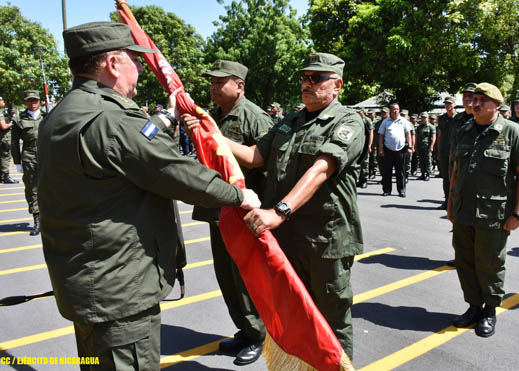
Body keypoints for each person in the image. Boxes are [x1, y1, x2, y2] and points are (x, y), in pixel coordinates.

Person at [37, 22, 261, 370]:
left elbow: (126, 147)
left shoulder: (63, 113)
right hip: (120, 290)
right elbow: (173, 171)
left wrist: (164, 118)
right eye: (136, 61)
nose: (141, 69)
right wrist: (238, 195)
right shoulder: (112, 119)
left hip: (89, 280)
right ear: (112, 63)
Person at [187, 52, 366, 360]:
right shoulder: (290, 121)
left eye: (316, 78)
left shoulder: (348, 121)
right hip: (286, 240)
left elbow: (321, 169)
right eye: (304, 78)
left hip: (325, 240)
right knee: (294, 318)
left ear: (337, 85)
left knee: (330, 320)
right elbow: (255, 156)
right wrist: (211, 133)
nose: (306, 84)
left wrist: (278, 211)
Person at [190, 59, 272, 366]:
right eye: (211, 81)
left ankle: (258, 334)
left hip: (244, 211)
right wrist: (198, 133)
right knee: (225, 275)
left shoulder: (253, 116)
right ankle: (245, 330)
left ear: (239, 85)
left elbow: (259, 159)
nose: (213, 87)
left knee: (244, 277)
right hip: (218, 208)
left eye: (219, 81)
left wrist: (212, 135)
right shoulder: (213, 116)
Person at [448, 83, 519, 338]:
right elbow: (456, 171)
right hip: (464, 211)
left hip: (494, 214)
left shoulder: (512, 132)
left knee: (490, 263)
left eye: (481, 101)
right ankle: (474, 307)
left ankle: (489, 311)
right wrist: (450, 204)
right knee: (465, 261)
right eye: (473, 99)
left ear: (496, 105)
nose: (475, 104)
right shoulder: (464, 130)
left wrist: (518, 213)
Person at [12, 89, 45, 235]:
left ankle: (50, 218)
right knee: (32, 189)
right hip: (29, 156)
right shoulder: (19, 119)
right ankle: (37, 219)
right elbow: (13, 143)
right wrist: (17, 162)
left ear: (40, 101)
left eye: (35, 100)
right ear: (24, 102)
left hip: (46, 155)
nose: (33, 103)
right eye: (29, 100)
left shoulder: (47, 116)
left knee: (50, 187)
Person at [379, 103, 412, 197]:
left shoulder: (404, 121)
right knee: (387, 171)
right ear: (390, 111)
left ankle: (401, 190)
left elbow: (408, 134)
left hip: (400, 150)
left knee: (400, 172)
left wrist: (410, 147)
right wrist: (380, 148)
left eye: (397, 109)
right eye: (393, 109)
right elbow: (381, 135)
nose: (395, 111)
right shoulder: (385, 122)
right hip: (388, 149)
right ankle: (387, 190)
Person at [437, 96, 457, 209]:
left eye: (449, 103)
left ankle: (456, 202)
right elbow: (439, 135)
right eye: (446, 104)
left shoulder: (459, 118)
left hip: (455, 151)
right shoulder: (442, 118)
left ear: (454, 105)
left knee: (456, 178)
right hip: (445, 151)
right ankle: (447, 201)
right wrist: (439, 151)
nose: (447, 106)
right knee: (446, 178)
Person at [0, 96, 18, 184]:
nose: (3, 101)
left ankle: (2, 176)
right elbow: (3, 126)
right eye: (1, 100)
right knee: (5, 157)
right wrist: (11, 123)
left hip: (3, 139)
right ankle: (6, 177)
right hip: (4, 139)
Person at [414, 112, 436, 181]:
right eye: (422, 117)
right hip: (420, 146)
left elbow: (433, 137)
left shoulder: (431, 127)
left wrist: (431, 146)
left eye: (425, 117)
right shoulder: (419, 127)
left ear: (428, 118)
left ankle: (427, 174)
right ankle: (423, 174)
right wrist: (415, 146)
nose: (423, 119)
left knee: (428, 161)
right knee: (421, 161)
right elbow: (416, 137)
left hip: (427, 147)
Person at [356, 107, 374, 188]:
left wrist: (369, 145)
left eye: (359, 111)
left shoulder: (367, 120)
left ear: (363, 111)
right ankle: (359, 180)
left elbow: (371, 133)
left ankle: (364, 180)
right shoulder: (356, 119)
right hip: (358, 144)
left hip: (365, 144)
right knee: (358, 163)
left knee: (365, 163)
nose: (357, 113)